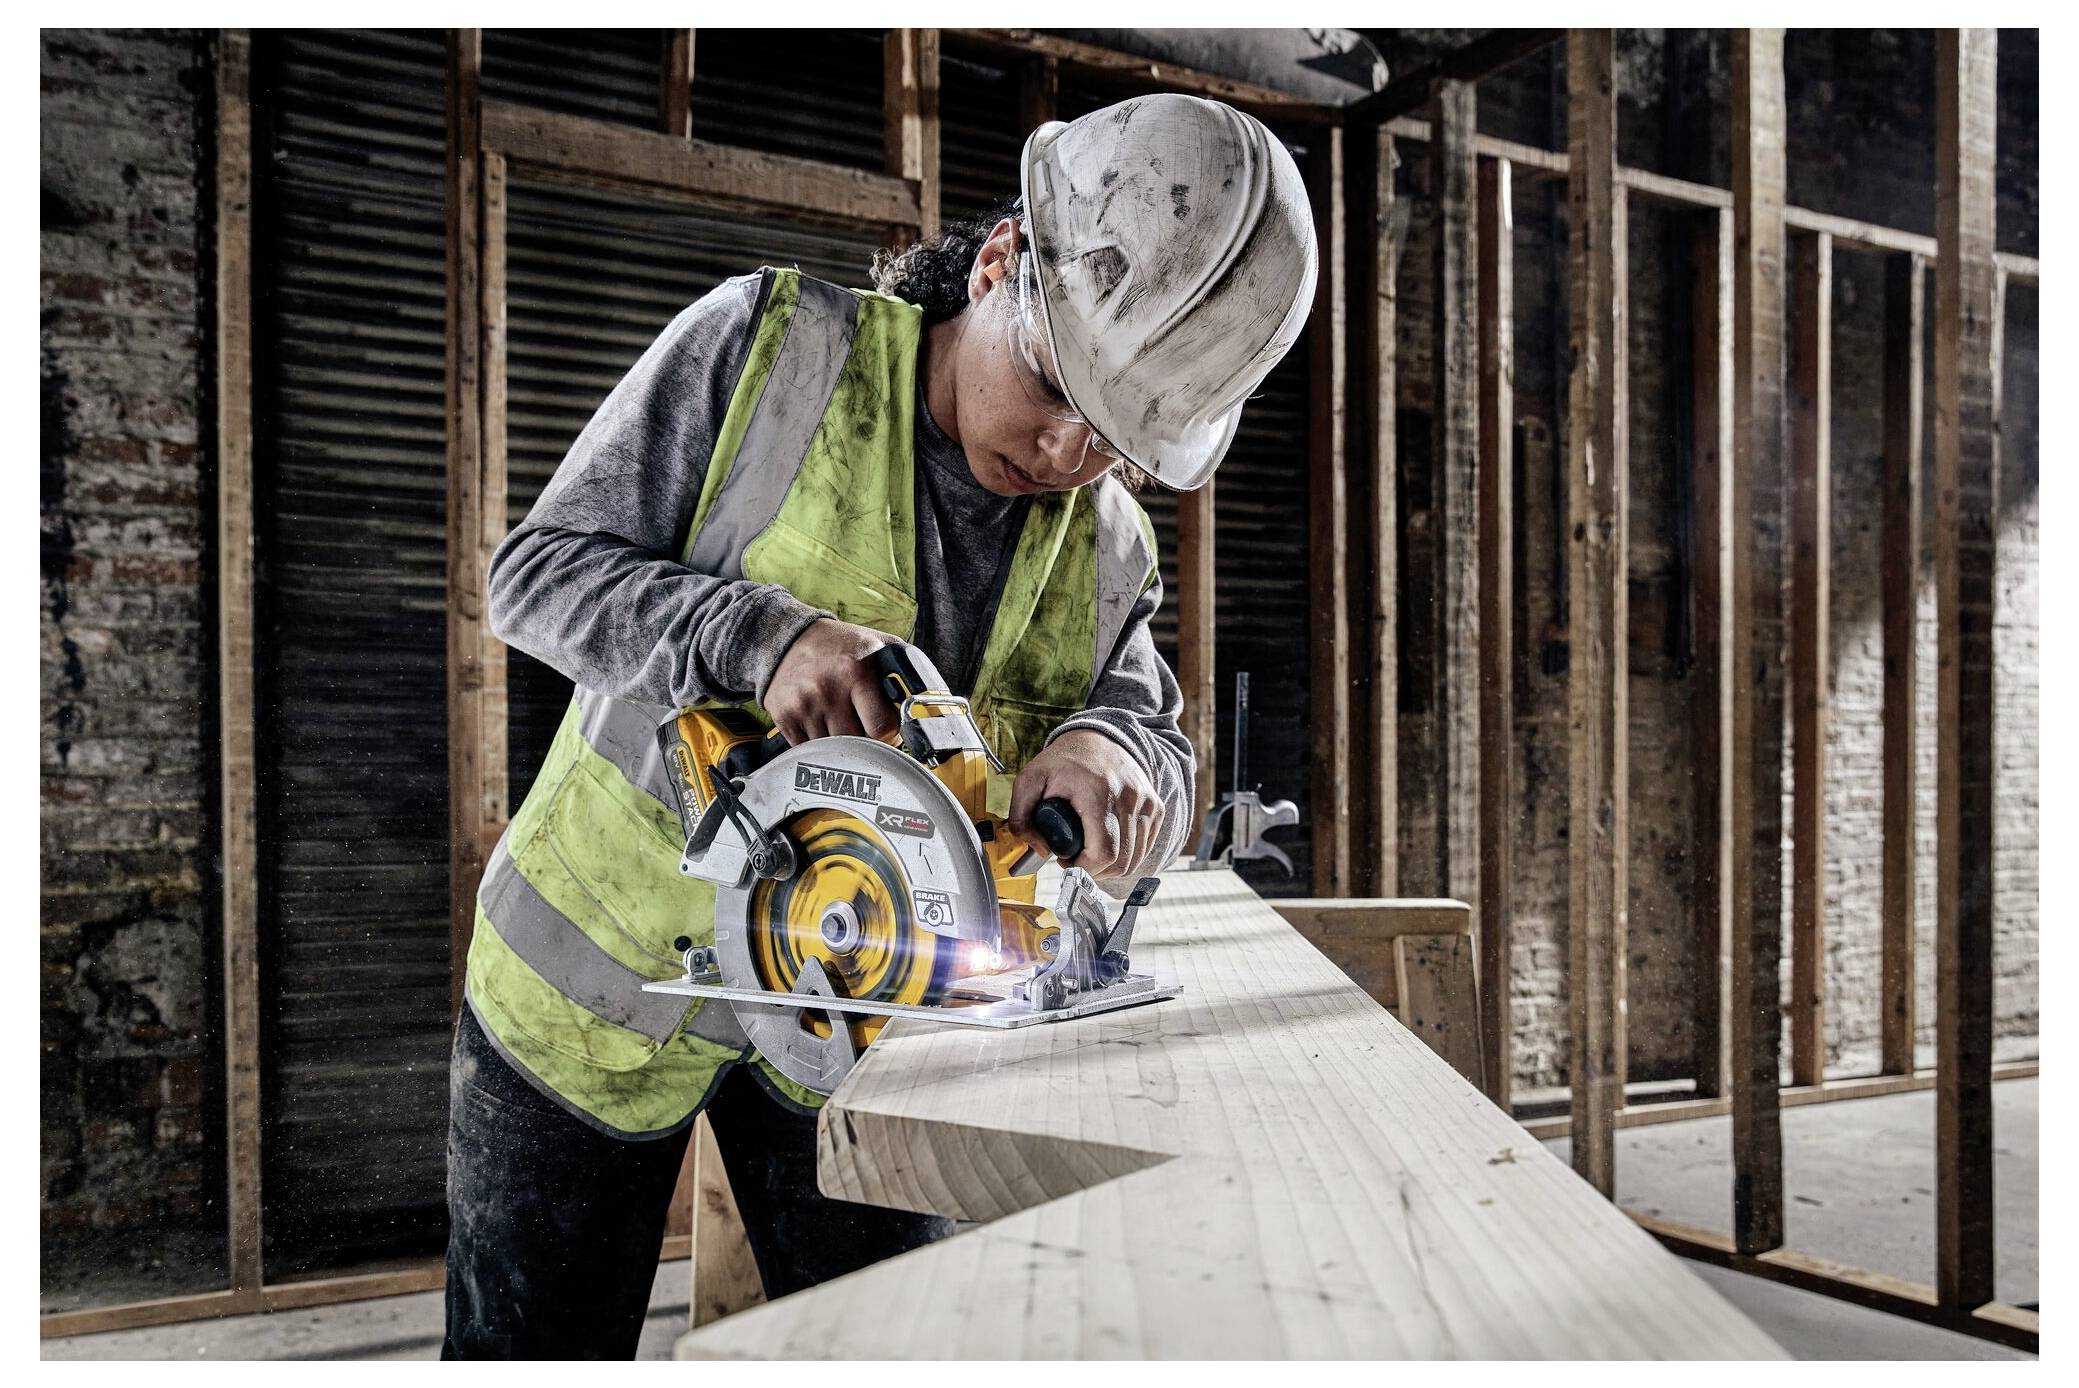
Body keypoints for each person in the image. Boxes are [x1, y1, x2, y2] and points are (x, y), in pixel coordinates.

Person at [441, 91, 1319, 1359]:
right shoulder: (769, 352)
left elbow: (1160, 744)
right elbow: (531, 576)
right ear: (1006, 260)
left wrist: (1120, 760)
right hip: (586, 993)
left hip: (860, 1031)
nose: (1066, 449)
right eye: (1057, 385)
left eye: (1116, 439)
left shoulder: (1110, 545)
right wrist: (760, 636)